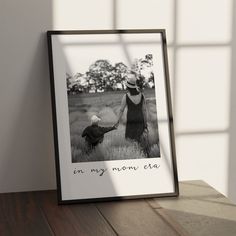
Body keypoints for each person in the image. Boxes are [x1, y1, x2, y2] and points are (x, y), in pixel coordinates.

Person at [115, 72, 150, 156]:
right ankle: (143, 155)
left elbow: (121, 110)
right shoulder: (142, 96)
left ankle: (134, 155)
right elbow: (144, 110)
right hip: (140, 120)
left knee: (130, 141)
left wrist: (117, 121)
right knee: (141, 140)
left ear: (128, 86)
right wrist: (145, 124)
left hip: (131, 121)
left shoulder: (126, 96)